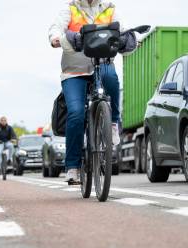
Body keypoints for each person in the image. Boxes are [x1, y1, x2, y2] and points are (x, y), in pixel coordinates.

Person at [49, 0, 132, 183]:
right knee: (76, 113)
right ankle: (72, 167)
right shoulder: (69, 8)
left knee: (111, 78)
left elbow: (122, 29)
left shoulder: (109, 8)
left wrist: (131, 39)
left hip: (102, 64)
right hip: (74, 71)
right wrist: (56, 38)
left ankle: (113, 123)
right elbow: (57, 28)